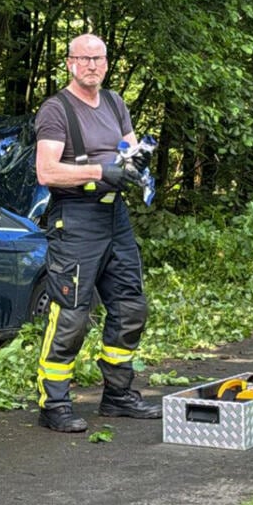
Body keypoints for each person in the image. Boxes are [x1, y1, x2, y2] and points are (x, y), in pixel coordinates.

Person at [33, 33, 161, 433]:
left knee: (130, 306)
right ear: (69, 63)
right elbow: (46, 171)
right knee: (71, 314)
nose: (92, 65)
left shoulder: (115, 102)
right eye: (84, 58)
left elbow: (129, 148)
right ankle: (54, 404)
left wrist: (136, 168)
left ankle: (118, 396)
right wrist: (98, 171)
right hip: (74, 219)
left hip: (114, 218)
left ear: (107, 63)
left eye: (99, 59)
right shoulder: (56, 110)